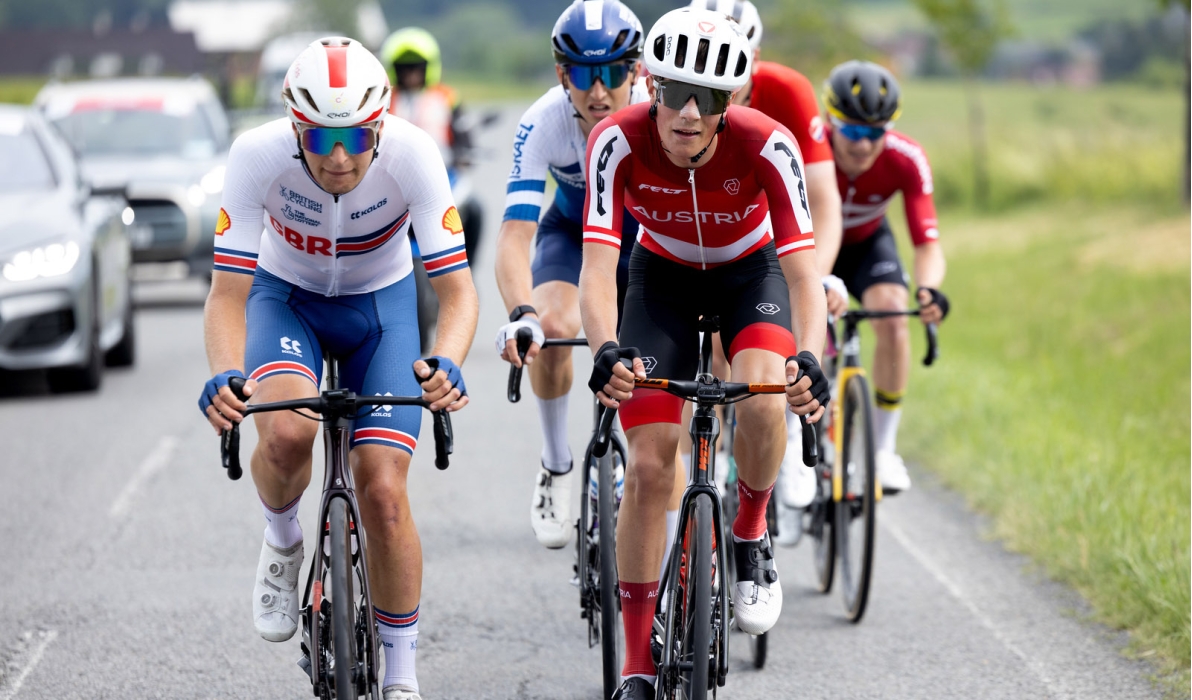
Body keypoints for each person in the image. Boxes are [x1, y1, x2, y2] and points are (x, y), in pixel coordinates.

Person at [198, 37, 478, 700]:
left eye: (356, 136)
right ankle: (283, 536)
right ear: (296, 130)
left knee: (382, 491)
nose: (341, 156)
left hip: (380, 308)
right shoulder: (256, 157)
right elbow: (227, 295)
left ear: (380, 126)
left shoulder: (412, 154)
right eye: (321, 140)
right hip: (285, 298)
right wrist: (224, 373)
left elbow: (459, 291)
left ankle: (402, 677)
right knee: (288, 434)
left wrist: (450, 361)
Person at [579, 10, 830, 699]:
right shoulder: (616, 140)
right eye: (675, 92)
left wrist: (809, 357)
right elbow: (599, 268)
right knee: (653, 466)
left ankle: (749, 536)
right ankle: (634, 660)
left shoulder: (768, 145)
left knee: (764, 392)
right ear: (650, 85)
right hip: (657, 282)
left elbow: (805, 274)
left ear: (732, 104)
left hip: (751, 277)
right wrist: (605, 347)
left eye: (710, 98)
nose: (689, 112)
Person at [492, 0, 647, 550]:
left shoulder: (660, 114)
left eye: (611, 73)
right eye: (583, 74)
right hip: (573, 233)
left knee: (646, 357)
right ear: (563, 74)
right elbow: (514, 236)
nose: (598, 91)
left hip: (644, 242)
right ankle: (557, 464)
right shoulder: (542, 122)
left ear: (637, 71)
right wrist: (522, 313)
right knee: (554, 325)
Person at [691, 0, 846, 544]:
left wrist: (819, 276)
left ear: (755, 56)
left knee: (771, 352)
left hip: (774, 236)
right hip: (694, 242)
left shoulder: (788, 93)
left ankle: (780, 434)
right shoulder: (676, 104)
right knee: (704, 354)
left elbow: (824, 201)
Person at [821, 59, 949, 492]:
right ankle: (804, 444)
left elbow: (927, 244)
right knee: (812, 332)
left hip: (868, 245)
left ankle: (882, 450)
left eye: (876, 133)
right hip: (813, 245)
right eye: (854, 131)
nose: (863, 145)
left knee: (894, 315)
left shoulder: (906, 158)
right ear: (829, 120)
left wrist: (930, 290)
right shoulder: (808, 148)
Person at [379, 27, 467, 168]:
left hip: (442, 167)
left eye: (417, 68)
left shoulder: (447, 96)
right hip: (397, 168)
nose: (411, 75)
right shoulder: (385, 98)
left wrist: (462, 152)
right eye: (404, 69)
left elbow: (462, 131)